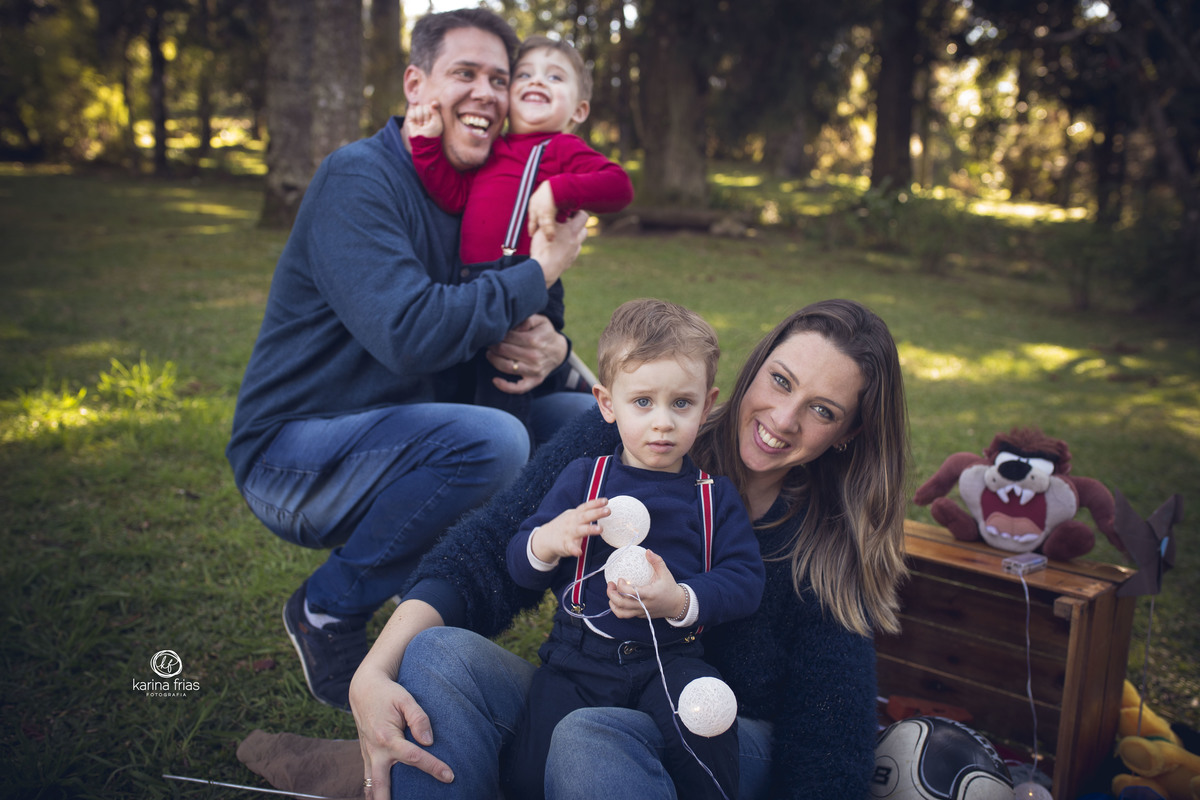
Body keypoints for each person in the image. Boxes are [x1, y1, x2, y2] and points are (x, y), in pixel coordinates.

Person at [350, 298, 911, 799]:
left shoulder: (829, 548)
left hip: (710, 737)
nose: (783, 420)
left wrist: (685, 598)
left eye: (823, 410)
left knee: (588, 737)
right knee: (436, 655)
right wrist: (373, 671)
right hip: (584, 678)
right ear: (754, 369)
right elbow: (492, 548)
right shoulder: (633, 428)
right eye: (782, 381)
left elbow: (829, 736)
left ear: (847, 433)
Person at [225, 8, 596, 712]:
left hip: (413, 433)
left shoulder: (495, 192)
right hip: (295, 454)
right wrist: (541, 268)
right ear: (416, 83)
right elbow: (410, 332)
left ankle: (575, 637)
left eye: (500, 78)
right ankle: (328, 610)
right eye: (465, 73)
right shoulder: (359, 179)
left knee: (585, 424)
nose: (486, 93)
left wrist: (554, 346)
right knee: (491, 442)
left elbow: (526, 319)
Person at [502, 299, 764, 800]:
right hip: (577, 660)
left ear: (706, 406)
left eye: (680, 404)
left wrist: (680, 600)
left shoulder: (713, 498)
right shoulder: (585, 479)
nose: (662, 423)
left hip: (670, 658)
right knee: (530, 771)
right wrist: (548, 541)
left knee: (705, 733)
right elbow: (520, 562)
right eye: (642, 402)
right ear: (606, 403)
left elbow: (745, 579)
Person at [408, 35, 634, 427]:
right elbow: (453, 194)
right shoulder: (492, 149)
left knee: (505, 381)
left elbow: (619, 186)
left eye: (555, 77)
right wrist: (426, 146)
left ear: (579, 109)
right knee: (466, 379)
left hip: (528, 280)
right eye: (525, 74)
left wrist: (558, 189)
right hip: (473, 282)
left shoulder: (564, 148)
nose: (537, 81)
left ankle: (511, 460)